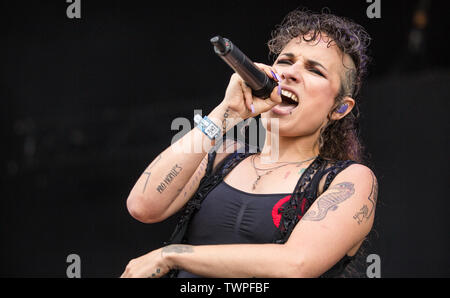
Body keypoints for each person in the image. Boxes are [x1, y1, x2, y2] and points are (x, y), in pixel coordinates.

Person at [120, 9, 377, 278]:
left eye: (314, 70)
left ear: (339, 108)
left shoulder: (350, 180)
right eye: (285, 61)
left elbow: (296, 264)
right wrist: (225, 113)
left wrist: (171, 256)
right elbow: (143, 206)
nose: (291, 73)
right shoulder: (222, 156)